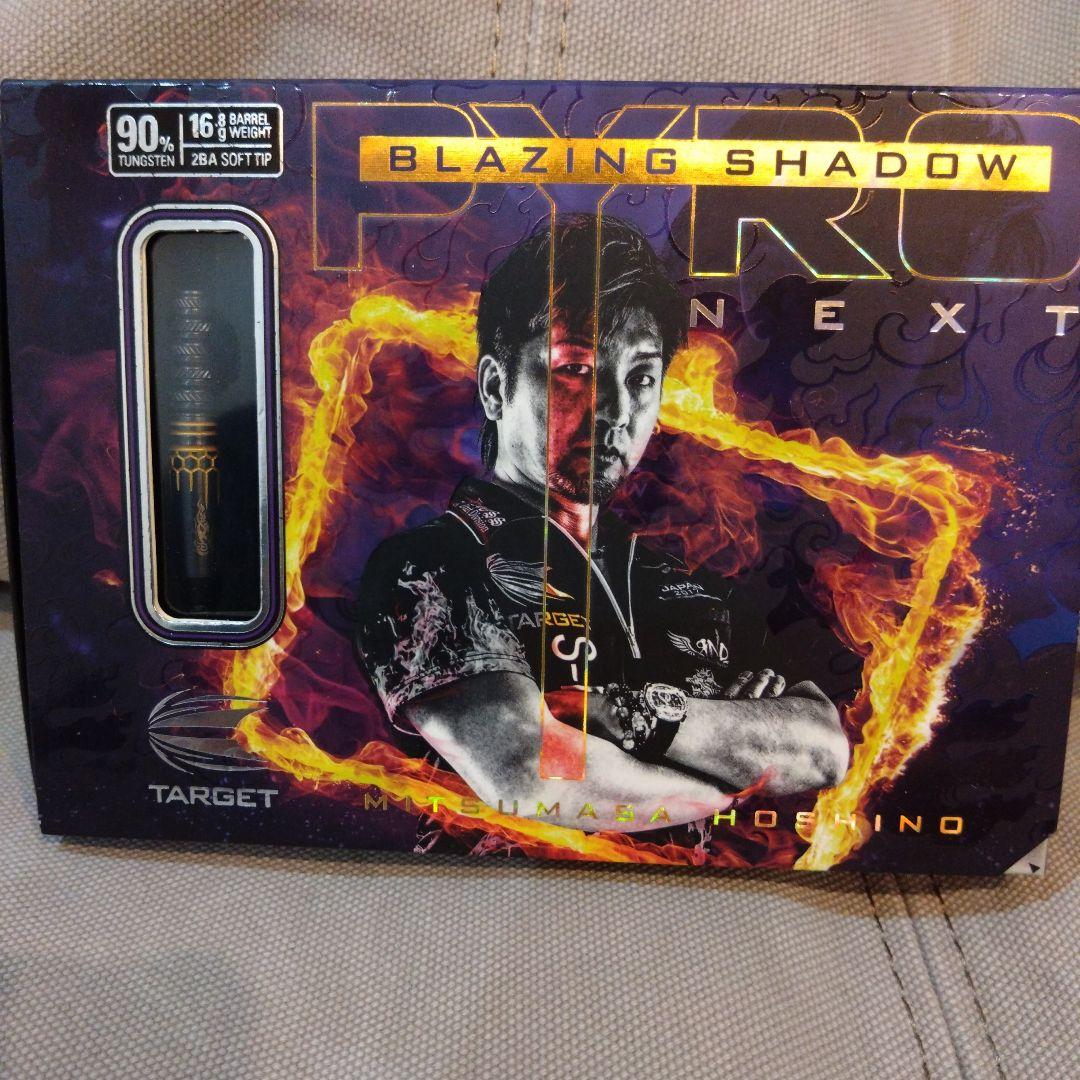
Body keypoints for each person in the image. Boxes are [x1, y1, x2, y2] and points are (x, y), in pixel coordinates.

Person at [354, 214, 849, 837]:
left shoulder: (682, 582)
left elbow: (821, 751)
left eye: (640, 378)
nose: (614, 409)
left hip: (712, 892)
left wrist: (626, 714)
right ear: (495, 387)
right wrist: (737, 767)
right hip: (510, 889)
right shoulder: (431, 567)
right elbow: (533, 777)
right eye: (576, 369)